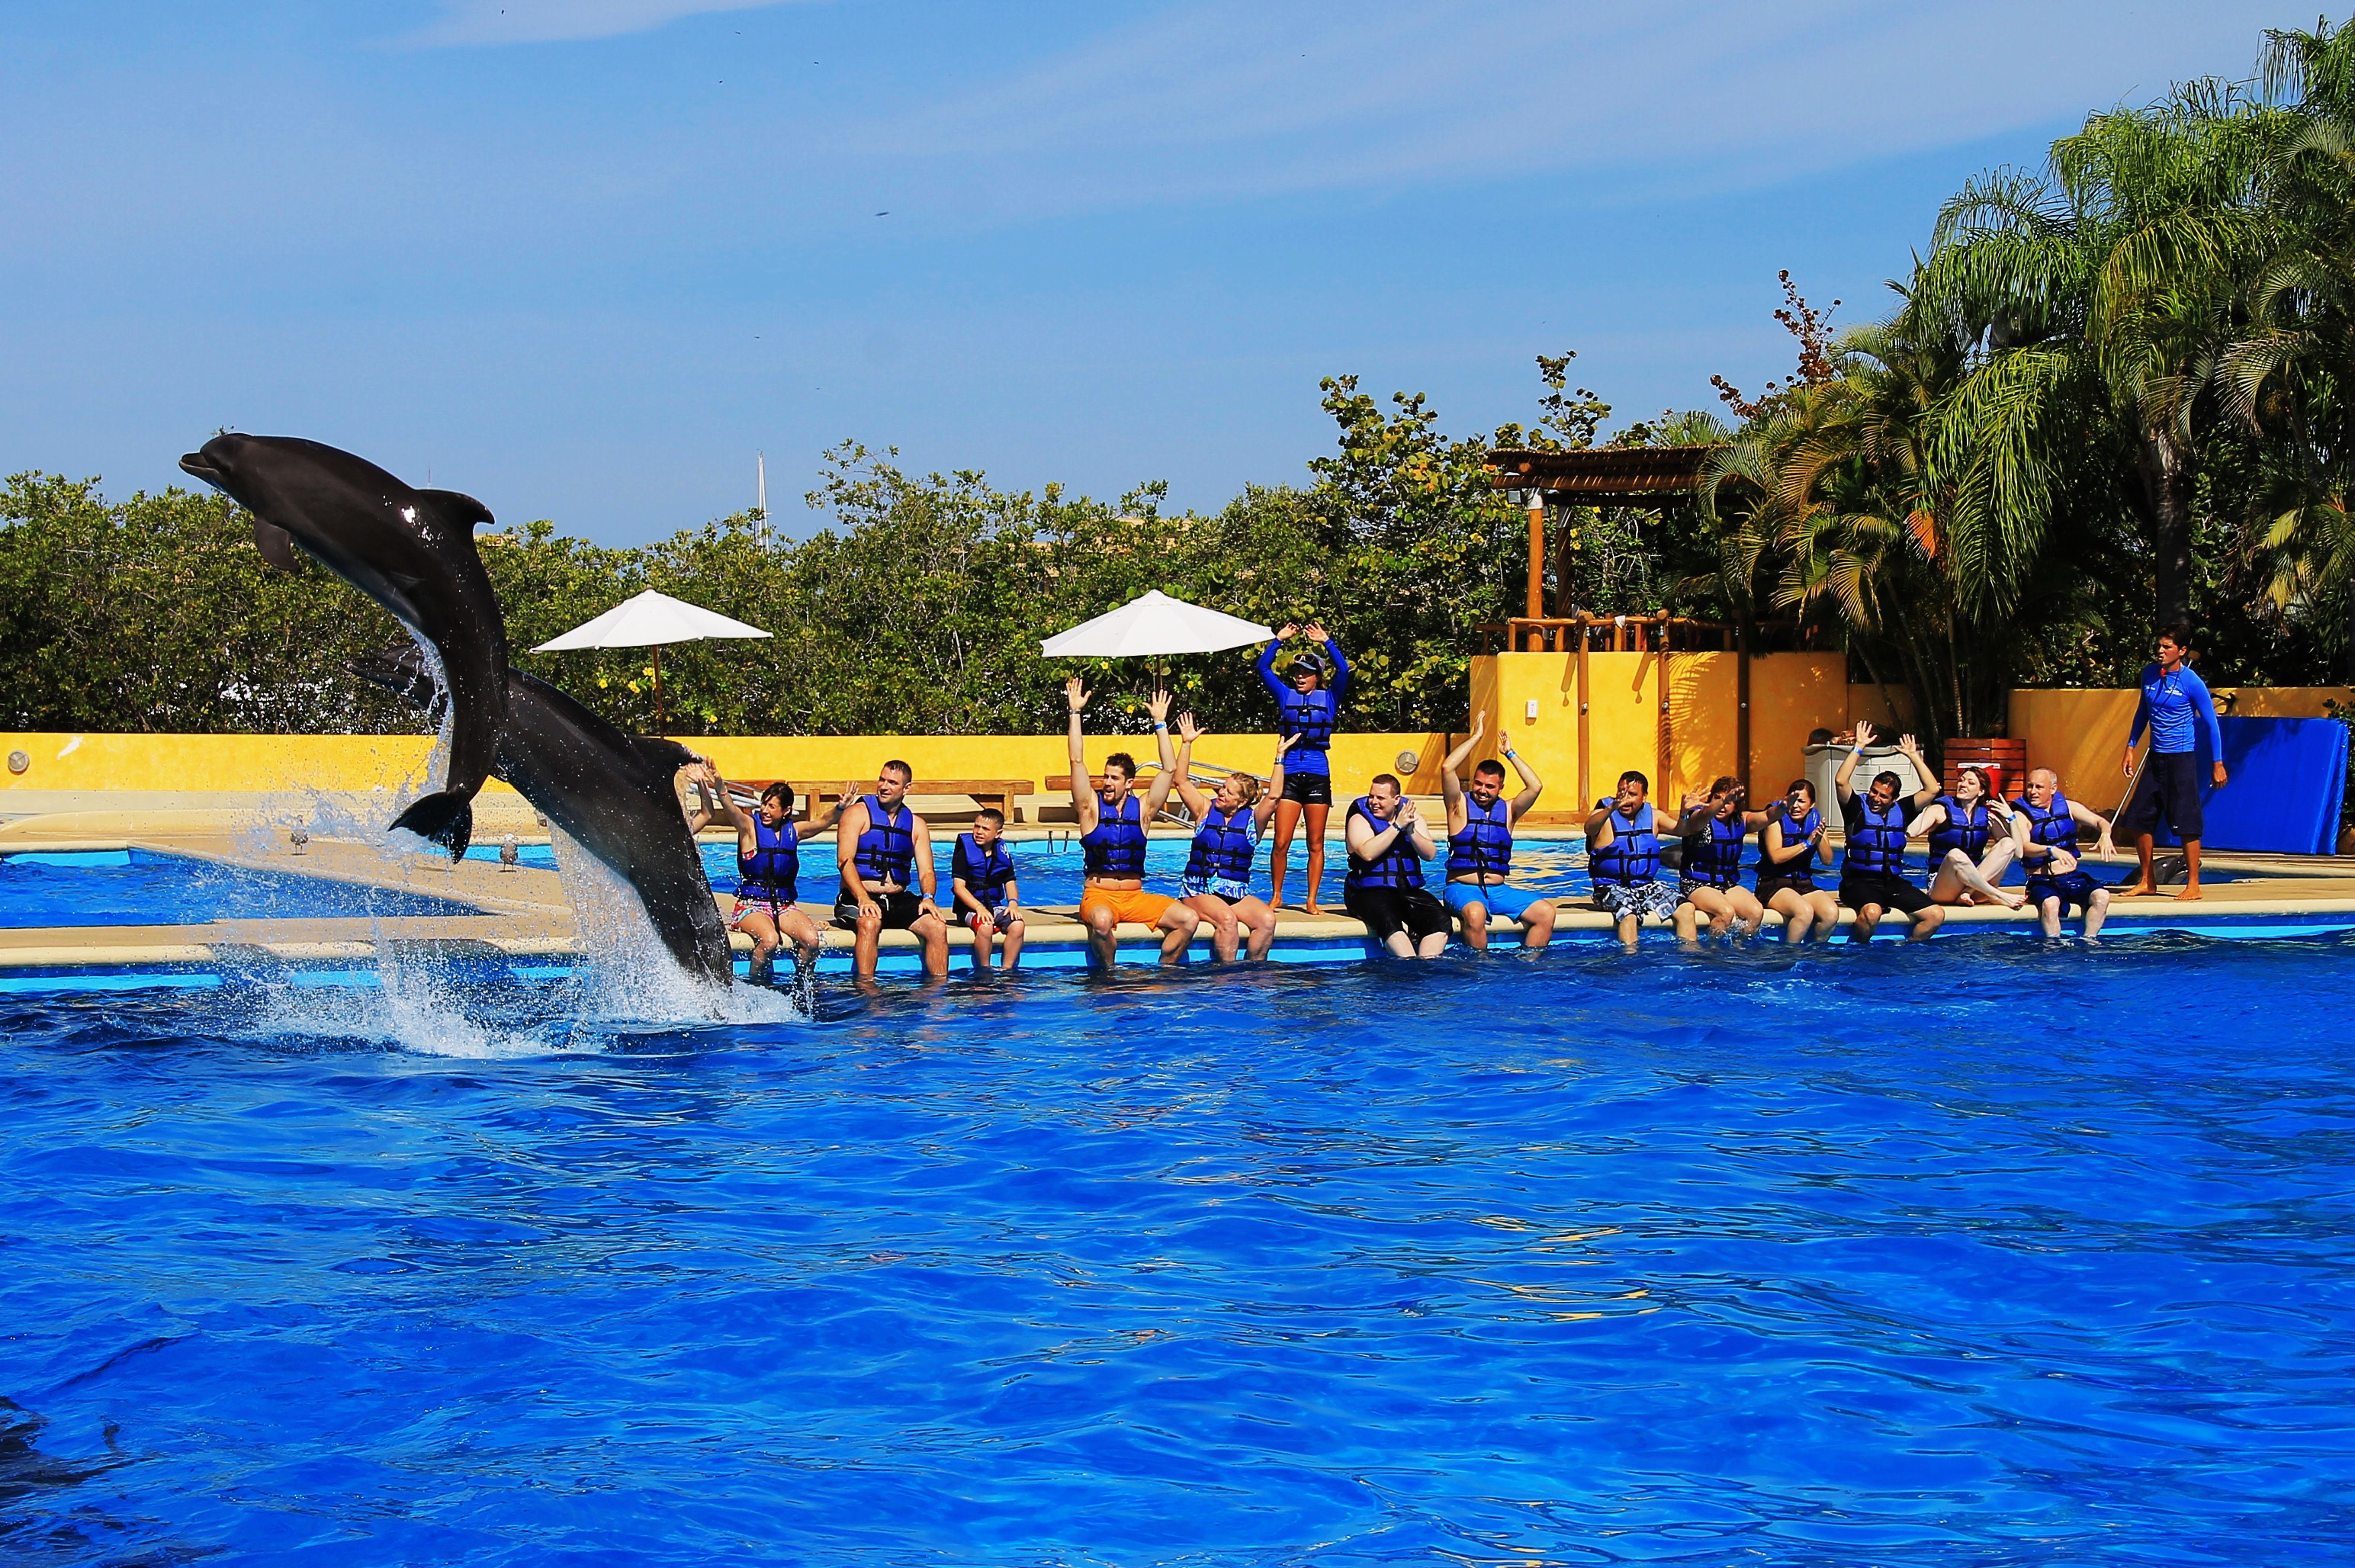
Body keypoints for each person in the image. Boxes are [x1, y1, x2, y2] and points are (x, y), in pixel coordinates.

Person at [1065, 679, 1200, 967]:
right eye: (1106, 776)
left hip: (1136, 897)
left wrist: (1160, 723)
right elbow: (1076, 761)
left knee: (1189, 919)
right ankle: (1109, 975)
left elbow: (1169, 769)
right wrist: (1075, 713)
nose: (1107, 782)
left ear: (1129, 783)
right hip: (1099, 896)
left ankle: (1165, 969)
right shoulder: (1090, 808)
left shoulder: (1144, 810)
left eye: (1114, 778)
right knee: (1102, 922)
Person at [688, 766, 845, 986]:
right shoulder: (749, 828)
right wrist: (719, 783)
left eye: (772, 806)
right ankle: (757, 987)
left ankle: (802, 986)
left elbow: (823, 822)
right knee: (769, 940)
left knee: (811, 940)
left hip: (784, 906)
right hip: (750, 906)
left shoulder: (794, 831)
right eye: (764, 804)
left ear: (786, 810)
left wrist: (840, 807)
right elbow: (731, 808)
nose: (765, 810)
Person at [1166, 713, 1293, 962]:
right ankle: (1225, 976)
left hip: (1234, 892)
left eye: (1229, 792)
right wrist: (1187, 743)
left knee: (1267, 920)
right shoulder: (1204, 810)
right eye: (1223, 788)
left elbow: (1274, 797)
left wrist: (1280, 757)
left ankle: (1254, 972)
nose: (1221, 793)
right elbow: (1180, 781)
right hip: (1198, 889)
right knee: (1227, 920)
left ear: (1242, 801)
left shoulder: (1253, 821)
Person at [2120, 622, 2228, 899]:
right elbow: (2142, 713)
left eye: (2167, 647)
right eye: (2159, 646)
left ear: (2181, 651)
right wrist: (2131, 747)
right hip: (2155, 758)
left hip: (2181, 759)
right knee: (2140, 819)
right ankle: (2148, 881)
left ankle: (2193, 884)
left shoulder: (2192, 682)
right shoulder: (2149, 674)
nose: (2160, 651)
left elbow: (2212, 724)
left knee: (2187, 821)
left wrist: (2218, 763)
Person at [1438, 714, 1557, 953]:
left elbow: (1535, 786)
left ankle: (1528, 965)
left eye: (1490, 786)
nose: (1482, 790)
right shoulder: (1458, 806)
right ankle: (1480, 968)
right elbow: (1447, 767)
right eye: (1478, 784)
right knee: (1476, 913)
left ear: (1501, 788)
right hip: (1462, 889)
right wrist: (1476, 737)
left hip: (1498, 891)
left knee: (1546, 913)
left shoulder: (1510, 811)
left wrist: (1510, 753)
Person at [1259, 622, 1350, 912]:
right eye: (1298, 672)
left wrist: (1327, 642)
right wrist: (1278, 640)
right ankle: (1276, 895)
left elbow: (1344, 671)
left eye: (1307, 673)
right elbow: (1263, 669)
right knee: (1281, 841)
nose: (1300, 676)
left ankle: (1311, 900)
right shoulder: (1285, 695)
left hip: (1317, 775)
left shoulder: (1330, 698)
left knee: (1315, 842)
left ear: (1317, 677)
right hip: (1289, 774)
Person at [834, 760, 950, 981]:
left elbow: (926, 871)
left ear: (906, 788)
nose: (884, 786)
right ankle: (866, 988)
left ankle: (937, 991)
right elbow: (844, 861)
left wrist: (928, 897)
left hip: (897, 900)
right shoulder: (856, 814)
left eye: (892, 783)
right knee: (870, 923)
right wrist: (862, 898)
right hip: (856, 897)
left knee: (936, 926)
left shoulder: (916, 825)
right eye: (882, 780)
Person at [1833, 721, 1945, 943]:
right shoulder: (1856, 808)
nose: (1876, 798)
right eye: (1874, 792)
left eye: (1883, 796)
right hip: (1858, 883)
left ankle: (1907, 950)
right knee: (1872, 913)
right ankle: (1859, 952)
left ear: (1893, 800)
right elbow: (1840, 781)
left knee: (1935, 915)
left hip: (1891, 882)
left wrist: (1913, 756)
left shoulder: (1902, 811)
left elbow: (1932, 789)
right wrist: (1859, 747)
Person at [1342, 773, 1449, 959]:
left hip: (1405, 890)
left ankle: (1426, 965)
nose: (1374, 802)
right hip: (1365, 892)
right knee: (1389, 921)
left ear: (1396, 799)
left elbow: (1430, 854)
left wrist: (1411, 831)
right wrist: (1397, 827)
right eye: (1371, 796)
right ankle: (1407, 964)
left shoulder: (1412, 817)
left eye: (1381, 798)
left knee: (1440, 920)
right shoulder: (1359, 820)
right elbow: (1367, 853)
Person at [2013, 767, 2118, 940]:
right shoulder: (2021, 816)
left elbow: (2100, 821)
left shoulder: (2069, 807)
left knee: (2102, 896)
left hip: (2072, 877)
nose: (2033, 792)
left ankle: (2089, 940)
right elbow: (2024, 847)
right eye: (2030, 786)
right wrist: (2050, 849)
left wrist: (2105, 834)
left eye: (2039, 787)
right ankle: (2053, 945)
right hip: (2042, 880)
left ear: (2053, 789)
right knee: (2051, 903)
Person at [1584, 770, 1682, 948]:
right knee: (1629, 913)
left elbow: (1685, 830)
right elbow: (1589, 828)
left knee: (1686, 908)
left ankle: (1690, 957)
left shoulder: (1655, 816)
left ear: (1644, 796)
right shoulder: (1603, 816)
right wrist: (1611, 808)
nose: (1625, 798)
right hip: (1610, 887)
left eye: (1632, 794)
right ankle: (1630, 958)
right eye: (1621, 792)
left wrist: (1687, 812)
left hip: (1645, 887)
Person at [1917, 767, 2026, 908]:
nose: (1963, 785)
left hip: (1974, 888)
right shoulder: (1940, 811)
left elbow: (2018, 853)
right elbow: (1912, 832)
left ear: (1981, 791)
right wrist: (1925, 801)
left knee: (2008, 843)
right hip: (1943, 888)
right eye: (1961, 781)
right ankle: (1996, 894)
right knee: (1956, 854)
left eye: (1971, 782)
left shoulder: (1988, 818)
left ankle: (1968, 892)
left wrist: (2011, 818)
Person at [1673, 776, 1767, 940]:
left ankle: (1740, 948)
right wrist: (1722, 801)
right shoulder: (1699, 818)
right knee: (1726, 912)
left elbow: (1768, 816)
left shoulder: (1739, 821)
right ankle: (1713, 949)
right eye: (1718, 798)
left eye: (1729, 801)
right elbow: (1705, 815)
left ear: (1736, 805)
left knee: (1756, 912)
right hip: (1696, 883)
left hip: (1726, 883)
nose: (1723, 805)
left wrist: (1784, 806)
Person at [1755, 778, 1841, 943]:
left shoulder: (1815, 820)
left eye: (1801, 801)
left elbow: (1828, 861)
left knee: (1831, 913)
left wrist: (1819, 838)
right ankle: (1791, 953)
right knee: (1804, 912)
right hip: (1773, 884)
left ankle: (1814, 951)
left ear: (1812, 804)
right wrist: (1806, 844)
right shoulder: (1776, 818)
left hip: (1803, 884)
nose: (1795, 806)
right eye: (1792, 800)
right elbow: (1776, 857)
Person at [949, 807, 1026, 974]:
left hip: (994, 905)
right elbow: (959, 888)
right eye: (976, 826)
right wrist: (979, 908)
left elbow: (1010, 881)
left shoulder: (1002, 852)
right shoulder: (964, 852)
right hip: (969, 909)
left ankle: (1007, 971)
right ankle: (985, 971)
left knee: (1018, 925)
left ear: (998, 834)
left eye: (985, 829)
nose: (979, 832)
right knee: (985, 926)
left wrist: (1013, 904)